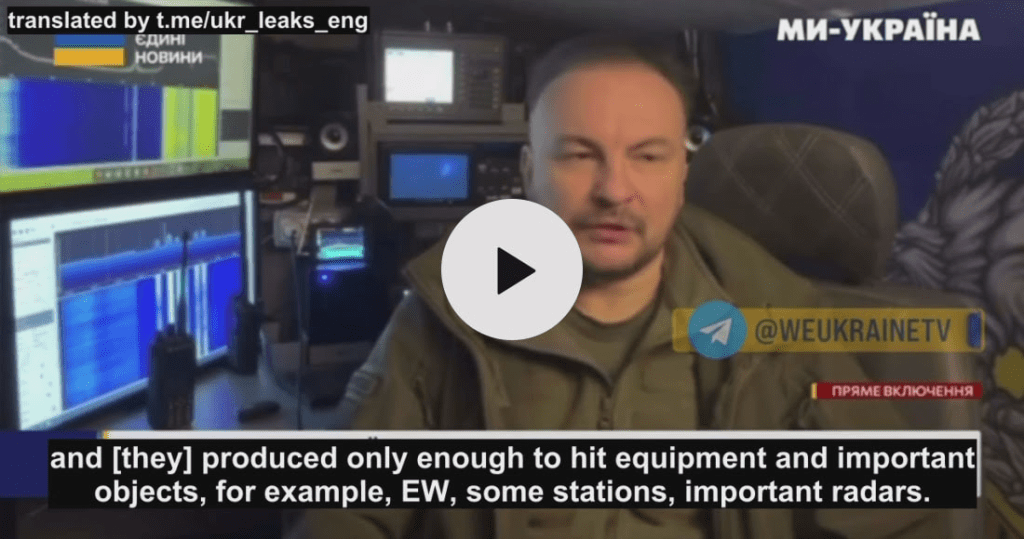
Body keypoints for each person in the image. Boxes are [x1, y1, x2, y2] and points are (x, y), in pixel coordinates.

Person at [291, 34, 949, 539]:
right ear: (529, 171)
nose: (613, 189)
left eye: (648, 156)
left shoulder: (777, 331)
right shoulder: (441, 320)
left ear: (681, 175)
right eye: (579, 154)